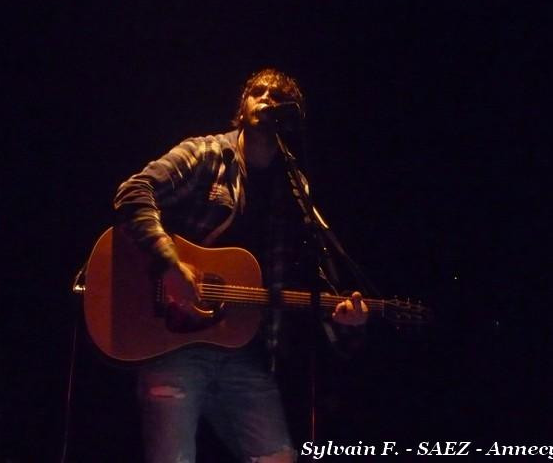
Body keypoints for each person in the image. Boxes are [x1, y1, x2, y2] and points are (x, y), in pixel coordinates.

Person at [114, 68, 367, 463]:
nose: (265, 99)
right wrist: (169, 264)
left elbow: (303, 274)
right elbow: (133, 191)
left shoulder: (294, 187)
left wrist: (343, 318)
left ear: (290, 116)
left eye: (277, 97)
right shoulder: (207, 153)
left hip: (245, 353)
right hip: (172, 343)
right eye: (258, 92)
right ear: (243, 104)